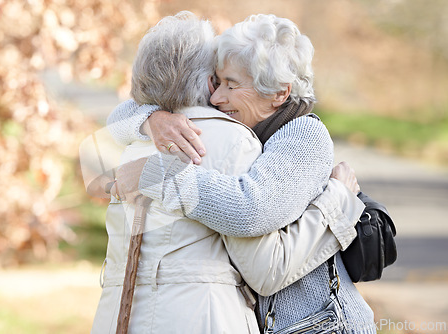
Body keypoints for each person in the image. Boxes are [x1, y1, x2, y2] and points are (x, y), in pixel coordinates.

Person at [91, 12, 366, 334]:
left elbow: (249, 210)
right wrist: (150, 118)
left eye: (231, 85)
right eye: (216, 82)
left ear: (279, 93)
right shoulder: (219, 131)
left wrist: (339, 198)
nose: (216, 97)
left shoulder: (302, 136)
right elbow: (119, 114)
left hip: (317, 321)